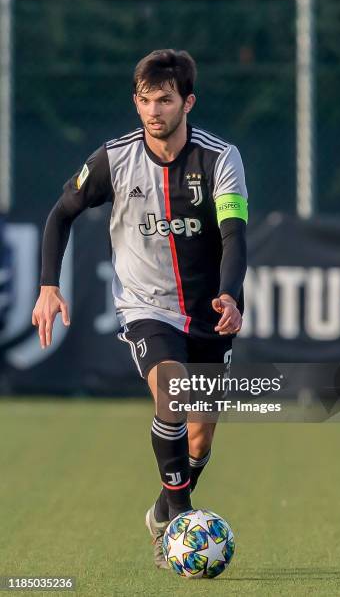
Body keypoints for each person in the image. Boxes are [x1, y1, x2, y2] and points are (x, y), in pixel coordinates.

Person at [32, 49, 248, 569]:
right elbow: (61, 214)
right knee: (170, 387)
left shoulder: (221, 158)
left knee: (201, 435)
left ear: (187, 102)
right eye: (146, 100)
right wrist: (47, 285)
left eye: (166, 100)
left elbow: (234, 233)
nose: (154, 111)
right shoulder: (112, 159)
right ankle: (179, 519)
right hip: (145, 306)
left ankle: (163, 507)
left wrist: (231, 293)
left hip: (207, 311)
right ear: (136, 101)